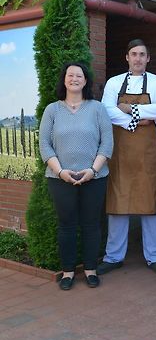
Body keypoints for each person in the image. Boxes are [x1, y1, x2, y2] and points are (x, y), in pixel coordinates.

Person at [98, 39, 156, 277]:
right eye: (134, 54)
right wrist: (136, 122)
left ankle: (155, 256)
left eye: (142, 54)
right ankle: (113, 256)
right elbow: (106, 110)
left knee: (151, 203)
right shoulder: (113, 82)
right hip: (120, 155)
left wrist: (130, 109)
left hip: (148, 156)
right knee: (118, 204)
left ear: (148, 58)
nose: (138, 58)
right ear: (127, 57)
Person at [39, 62, 113, 290]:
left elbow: (107, 143)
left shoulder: (97, 108)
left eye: (79, 75)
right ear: (64, 80)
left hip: (95, 177)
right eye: (70, 75)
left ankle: (90, 269)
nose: (74, 79)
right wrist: (61, 171)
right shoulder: (52, 110)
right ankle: (68, 272)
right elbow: (44, 144)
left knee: (91, 224)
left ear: (85, 80)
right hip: (59, 178)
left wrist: (93, 170)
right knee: (67, 225)